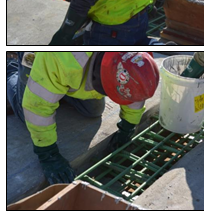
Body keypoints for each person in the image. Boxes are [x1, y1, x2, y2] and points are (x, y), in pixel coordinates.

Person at [6, 52, 159, 185]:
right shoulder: (61, 59)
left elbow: (134, 92)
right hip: (43, 60)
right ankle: (9, 67)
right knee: (24, 113)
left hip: (73, 67)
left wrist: (128, 127)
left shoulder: (136, 58)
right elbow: (36, 107)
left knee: (94, 110)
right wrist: (48, 154)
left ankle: (56, 89)